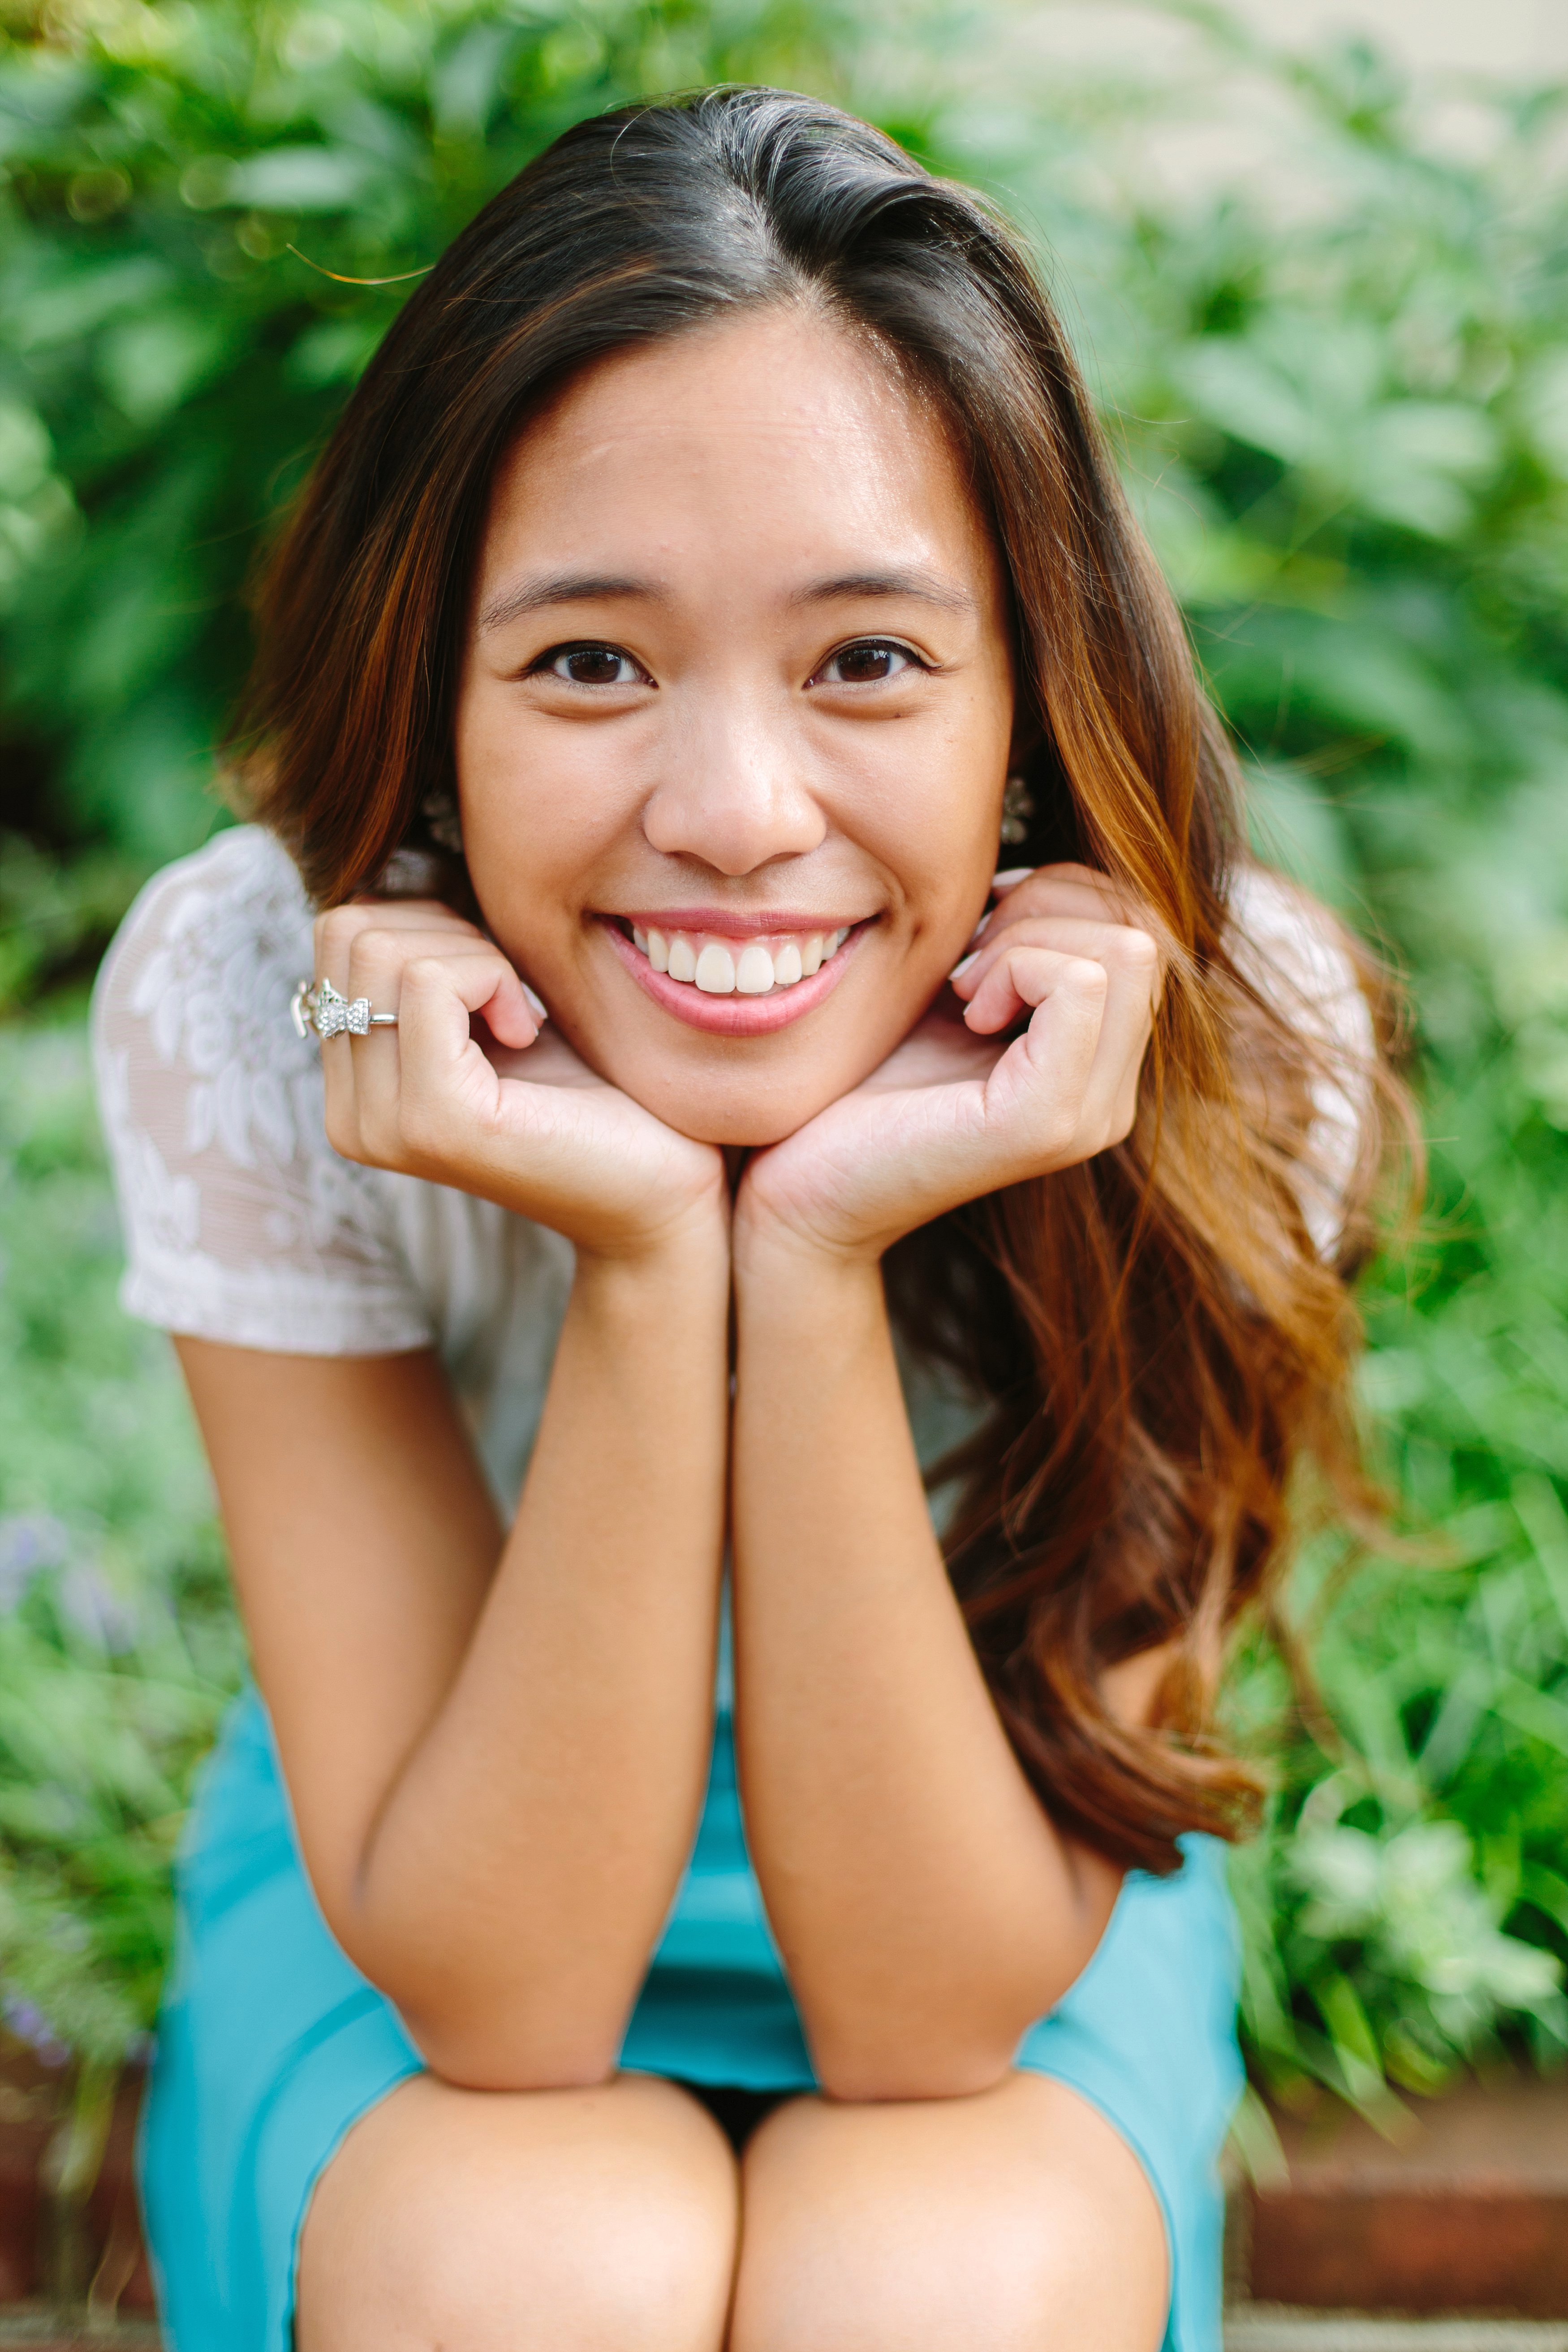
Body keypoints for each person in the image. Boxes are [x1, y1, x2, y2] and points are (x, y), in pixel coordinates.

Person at [92, 87, 1401, 2352]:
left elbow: (927, 2017)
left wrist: (801, 1256)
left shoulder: (1217, 1019)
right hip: (428, 1835)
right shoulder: (251, 989)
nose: (728, 813)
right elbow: (495, 1995)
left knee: (937, 2289)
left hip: (990, 1866)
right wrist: (633, 1254)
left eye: (866, 661)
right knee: (528, 2273)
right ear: (433, 692)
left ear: (1023, 703)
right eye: (589, 660)